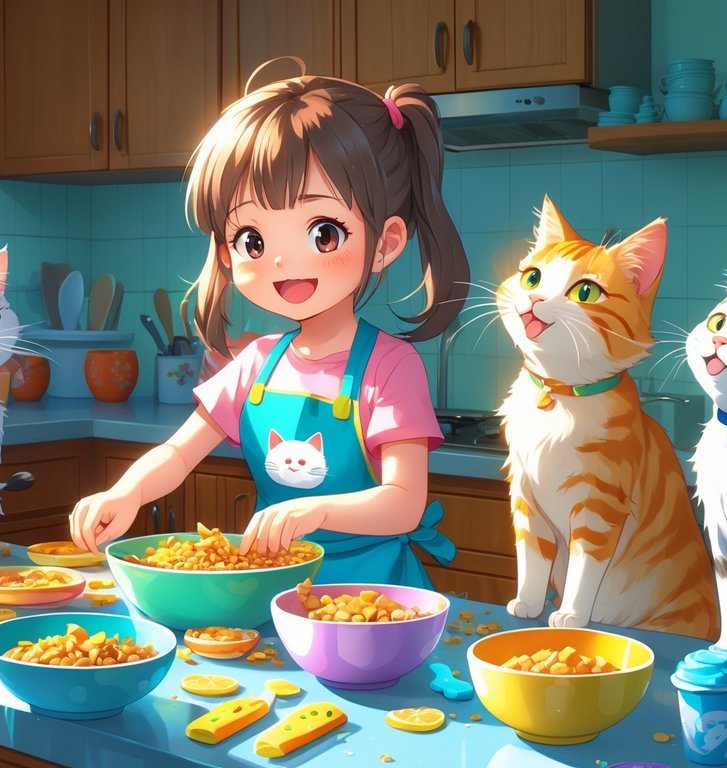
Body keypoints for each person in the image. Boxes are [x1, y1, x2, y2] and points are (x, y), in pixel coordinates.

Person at [69, 63, 468, 587]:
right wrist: (128, 491)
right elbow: (177, 452)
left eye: (323, 233)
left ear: (386, 243)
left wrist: (318, 512)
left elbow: (403, 504)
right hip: (273, 588)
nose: (281, 262)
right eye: (253, 240)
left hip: (374, 597)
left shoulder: (390, 367)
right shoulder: (256, 363)